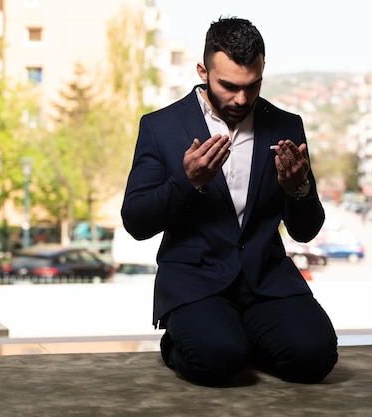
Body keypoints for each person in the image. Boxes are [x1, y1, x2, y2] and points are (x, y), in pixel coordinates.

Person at [121, 16, 338, 386]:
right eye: (228, 86)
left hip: (265, 280)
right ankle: (185, 342)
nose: (241, 99)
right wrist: (187, 182)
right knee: (218, 361)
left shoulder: (286, 126)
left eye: (252, 86)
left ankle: (240, 337)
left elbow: (305, 231)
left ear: (263, 70)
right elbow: (136, 222)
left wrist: (297, 188)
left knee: (315, 358)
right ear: (203, 70)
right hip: (195, 280)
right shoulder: (161, 127)